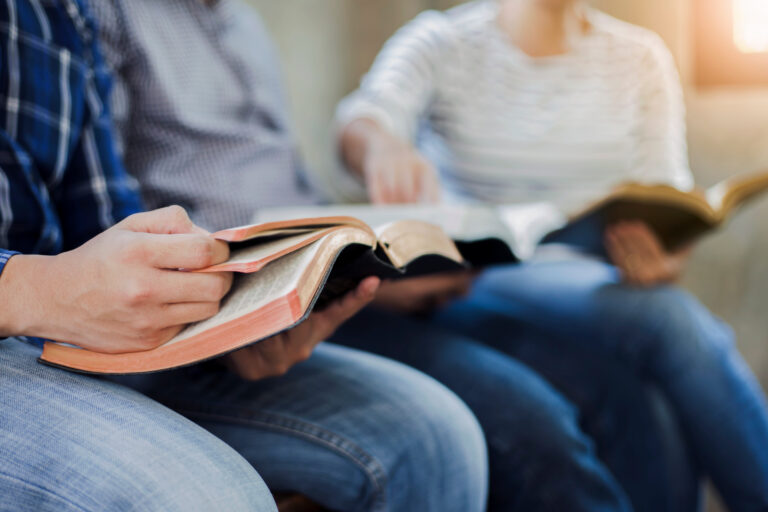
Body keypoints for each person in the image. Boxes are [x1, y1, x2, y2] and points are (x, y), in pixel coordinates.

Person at [93, 0, 703, 511]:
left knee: (618, 393)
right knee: (538, 417)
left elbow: (288, 192)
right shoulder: (107, 16)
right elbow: (110, 224)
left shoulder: (238, 19)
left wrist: (376, 263)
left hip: (333, 275)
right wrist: (371, 192)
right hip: (252, 295)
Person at [0, 2, 490, 511]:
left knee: (432, 433)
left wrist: (228, 322)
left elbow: (101, 224)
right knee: (213, 498)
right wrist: (34, 289)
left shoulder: (61, 12)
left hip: (75, 340)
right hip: (25, 329)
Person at [335, 0, 768, 511]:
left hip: (598, 281)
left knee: (648, 394)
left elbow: (665, 195)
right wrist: (382, 146)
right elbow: (360, 119)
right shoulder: (441, 43)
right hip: (481, 276)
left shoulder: (639, 57)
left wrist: (664, 256)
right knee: (665, 318)